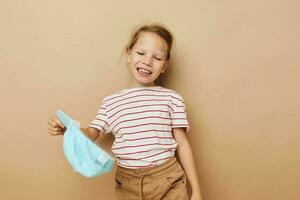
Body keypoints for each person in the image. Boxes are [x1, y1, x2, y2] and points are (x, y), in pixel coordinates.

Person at [48, 23, 204, 200]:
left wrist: (197, 191)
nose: (147, 61)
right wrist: (68, 129)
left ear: (165, 66)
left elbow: (182, 144)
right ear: (128, 54)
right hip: (128, 184)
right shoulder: (111, 102)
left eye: (157, 58)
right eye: (141, 53)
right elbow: (92, 133)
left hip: (168, 180)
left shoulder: (171, 99)